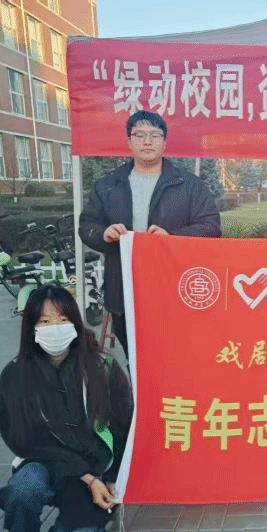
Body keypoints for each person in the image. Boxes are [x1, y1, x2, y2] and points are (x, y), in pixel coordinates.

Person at [0, 283, 133, 532]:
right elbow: (19, 438)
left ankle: (83, 521)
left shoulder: (102, 367)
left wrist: (113, 480)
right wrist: (85, 476)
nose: (54, 328)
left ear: (75, 322)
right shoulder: (15, 374)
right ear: (31, 327)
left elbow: (124, 425)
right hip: (46, 464)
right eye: (44, 321)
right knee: (24, 488)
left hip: (95, 469)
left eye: (63, 319)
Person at [79, 110, 221, 357]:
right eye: (139, 135)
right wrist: (104, 233)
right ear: (129, 141)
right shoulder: (109, 185)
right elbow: (87, 225)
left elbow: (211, 227)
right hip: (123, 287)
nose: (147, 141)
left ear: (164, 143)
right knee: (135, 358)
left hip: (173, 289)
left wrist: (172, 238)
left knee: (174, 357)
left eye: (155, 135)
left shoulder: (189, 186)